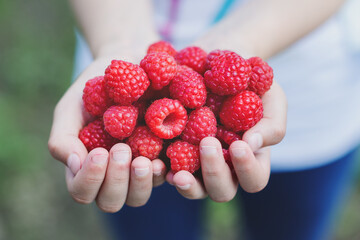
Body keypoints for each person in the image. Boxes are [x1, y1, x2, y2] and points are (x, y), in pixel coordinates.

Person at [48, 0, 360, 239]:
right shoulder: (134, 96)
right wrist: (119, 41)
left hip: (315, 98)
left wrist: (243, 45)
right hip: (118, 36)